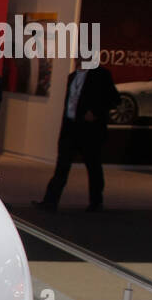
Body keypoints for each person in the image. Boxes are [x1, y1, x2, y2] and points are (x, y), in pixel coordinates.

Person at [34, 61, 121, 213]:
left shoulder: (101, 75)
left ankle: (96, 202)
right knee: (62, 166)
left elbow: (114, 99)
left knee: (93, 166)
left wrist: (95, 113)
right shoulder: (73, 76)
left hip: (90, 131)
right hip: (70, 127)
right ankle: (50, 201)